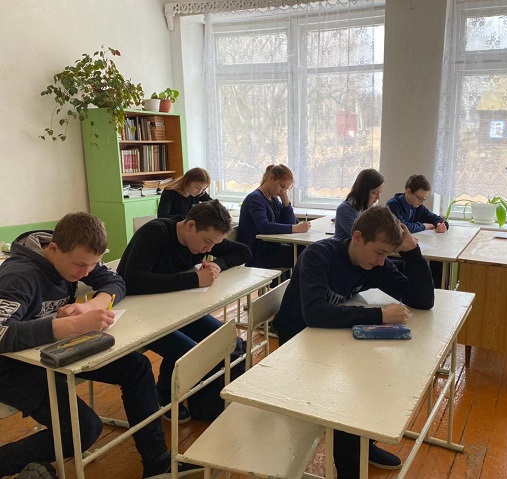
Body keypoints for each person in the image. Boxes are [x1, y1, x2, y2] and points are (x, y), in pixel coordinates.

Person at [0, 212, 181, 478]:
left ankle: (157, 462)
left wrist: (93, 306)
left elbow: (115, 281)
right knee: (83, 430)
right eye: (80, 266)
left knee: (137, 367)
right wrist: (72, 325)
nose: (85, 273)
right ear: (53, 249)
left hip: (54, 351)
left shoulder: (77, 255)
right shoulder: (19, 276)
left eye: (93, 264)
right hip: (12, 368)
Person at [273, 206, 435, 476]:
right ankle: (351, 464)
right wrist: (379, 314)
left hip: (331, 339)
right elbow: (314, 313)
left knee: (377, 378)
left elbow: (423, 300)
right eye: (379, 252)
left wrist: (412, 252)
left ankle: (363, 445)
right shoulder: (318, 255)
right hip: (297, 346)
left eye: (387, 254)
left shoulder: (373, 263)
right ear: (357, 237)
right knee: (350, 393)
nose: (382, 261)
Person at [117, 200, 251, 423]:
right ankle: (166, 394)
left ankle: (212, 400)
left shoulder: (203, 238)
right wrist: (194, 279)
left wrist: (218, 264)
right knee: (191, 352)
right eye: (207, 242)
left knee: (227, 339)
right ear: (190, 225)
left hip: (177, 310)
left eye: (214, 244)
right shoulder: (155, 233)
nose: (208, 250)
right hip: (138, 316)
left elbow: (243, 252)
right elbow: (133, 280)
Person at [237, 164, 310, 269]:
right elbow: (264, 227)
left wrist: (285, 200)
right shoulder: (255, 199)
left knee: (305, 249)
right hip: (257, 253)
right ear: (271, 178)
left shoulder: (273, 199)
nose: (282, 191)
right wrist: (296, 228)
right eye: (282, 186)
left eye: (286, 189)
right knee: (306, 254)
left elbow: (290, 222)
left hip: (270, 248)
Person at [386, 174, 448, 287]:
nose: (422, 202)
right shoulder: (393, 205)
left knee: (437, 264)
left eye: (425, 199)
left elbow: (435, 218)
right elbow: (402, 227)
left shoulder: (417, 206)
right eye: (420, 198)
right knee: (426, 265)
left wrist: (442, 225)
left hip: (413, 248)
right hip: (397, 252)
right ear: (408, 192)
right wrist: (424, 226)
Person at [333, 168, 384, 241]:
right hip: (344, 247)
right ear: (363, 191)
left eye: (380, 192)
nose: (378, 197)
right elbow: (362, 238)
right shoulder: (344, 209)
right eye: (374, 192)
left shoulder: (369, 208)